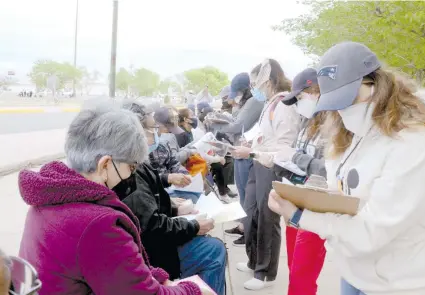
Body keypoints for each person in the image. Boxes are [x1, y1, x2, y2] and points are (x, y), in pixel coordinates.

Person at [268, 41, 425, 295]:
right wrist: (311, 198)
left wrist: (301, 216)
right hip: (356, 273)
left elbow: (372, 231)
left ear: (375, 84)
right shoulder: (354, 135)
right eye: (336, 103)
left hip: (405, 283)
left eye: (348, 99)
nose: (342, 109)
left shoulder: (416, 143)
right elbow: (344, 192)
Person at [17, 103, 207, 294]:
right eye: (131, 168)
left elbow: (117, 271)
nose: (132, 177)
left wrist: (155, 277)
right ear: (105, 164)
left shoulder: (48, 199)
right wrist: (191, 289)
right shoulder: (98, 224)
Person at [121, 102, 227, 295]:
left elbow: (150, 194)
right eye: (150, 131)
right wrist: (193, 226)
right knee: (213, 249)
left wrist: (175, 210)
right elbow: (151, 226)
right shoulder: (127, 173)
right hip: (154, 254)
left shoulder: (134, 165)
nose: (155, 136)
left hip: (158, 236)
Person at [231, 59, 301, 290]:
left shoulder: (285, 105)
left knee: (267, 218)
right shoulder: (271, 104)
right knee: (251, 211)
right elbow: (263, 136)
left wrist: (250, 151)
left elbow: (284, 146)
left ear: (269, 82)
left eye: (256, 84)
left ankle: (264, 272)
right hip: (258, 162)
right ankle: (254, 260)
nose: (254, 89)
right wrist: (250, 145)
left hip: (271, 165)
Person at [276, 68, 327, 295]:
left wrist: (295, 157)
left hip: (316, 205)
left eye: (300, 97)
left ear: (316, 91)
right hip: (296, 199)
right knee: (294, 267)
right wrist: (278, 161)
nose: (298, 104)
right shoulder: (308, 122)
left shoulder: (336, 125)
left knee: (303, 273)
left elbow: (328, 170)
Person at [209, 72, 264, 246]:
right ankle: (244, 228)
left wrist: (216, 123)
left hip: (246, 154)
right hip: (240, 152)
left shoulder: (255, 101)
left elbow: (239, 126)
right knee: (243, 195)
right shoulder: (248, 102)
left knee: (248, 198)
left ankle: (249, 233)